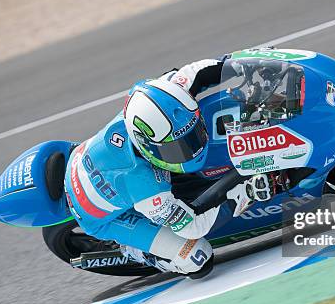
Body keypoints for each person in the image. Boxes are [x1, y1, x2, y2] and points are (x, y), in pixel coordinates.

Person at [63, 58, 272, 278]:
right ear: (147, 146)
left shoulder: (163, 96)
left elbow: (193, 72)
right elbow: (194, 226)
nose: (194, 149)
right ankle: (134, 251)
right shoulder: (143, 185)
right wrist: (246, 191)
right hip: (101, 217)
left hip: (89, 159)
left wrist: (240, 64)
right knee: (197, 258)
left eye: (193, 136)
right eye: (176, 149)